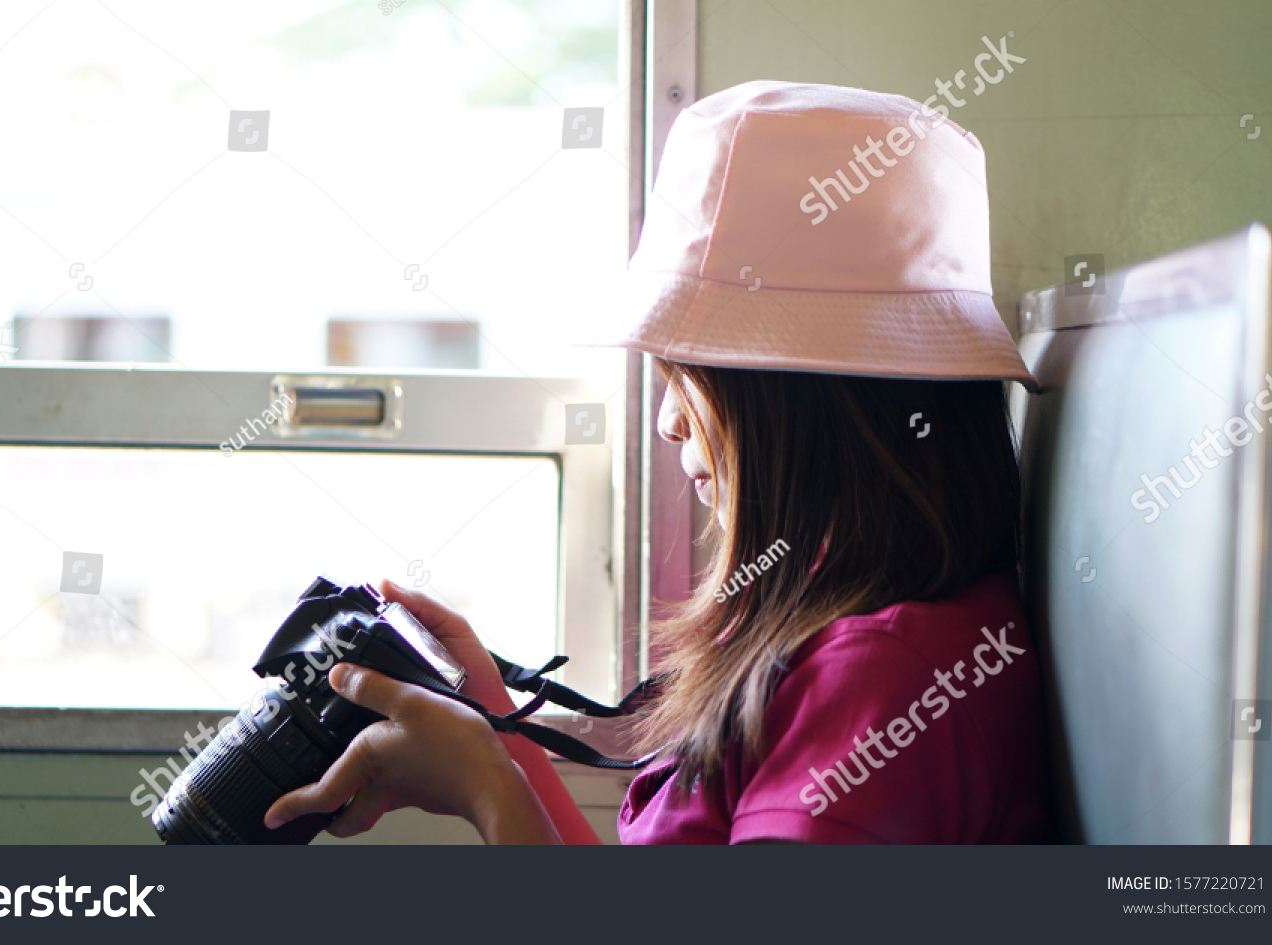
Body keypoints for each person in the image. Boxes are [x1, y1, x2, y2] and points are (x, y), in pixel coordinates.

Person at [264, 82, 1051, 844]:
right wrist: (494, 723)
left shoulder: (882, 679)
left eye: (689, 374)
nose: (669, 421)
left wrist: (484, 787)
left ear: (805, 399)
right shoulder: (845, 622)